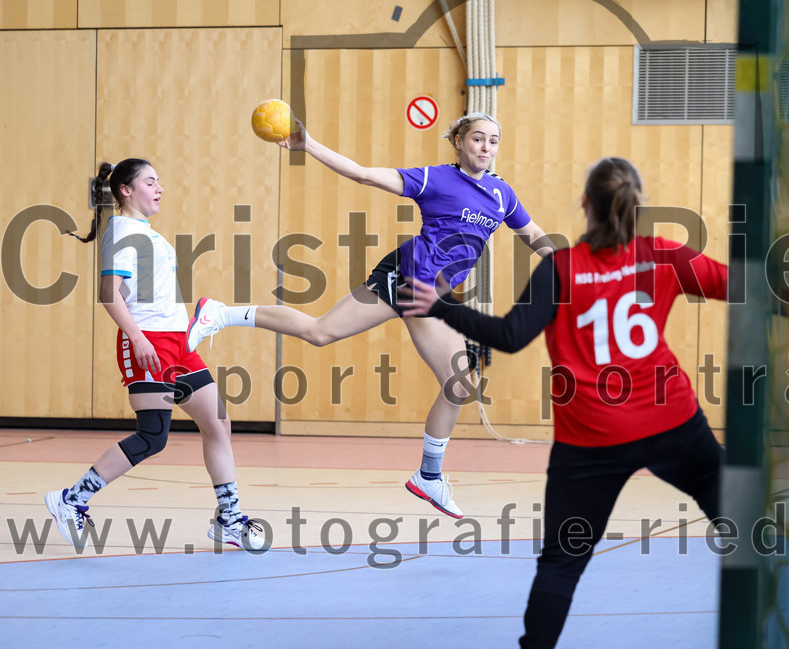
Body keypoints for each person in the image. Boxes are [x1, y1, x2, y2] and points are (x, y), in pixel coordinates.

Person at [399, 156, 789, 648]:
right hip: (673, 424)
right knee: (742, 521)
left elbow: (510, 336)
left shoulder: (561, 268)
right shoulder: (663, 256)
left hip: (591, 440)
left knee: (562, 562)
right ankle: (784, 622)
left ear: (586, 203)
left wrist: (442, 305)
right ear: (637, 206)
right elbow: (748, 288)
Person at [186, 113, 555, 518]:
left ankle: (429, 476)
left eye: (493, 141)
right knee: (342, 340)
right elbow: (363, 174)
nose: (486, 147)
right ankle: (220, 315)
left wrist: (571, 265)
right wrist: (308, 145)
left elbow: (535, 236)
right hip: (410, 281)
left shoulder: (502, 195)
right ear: (458, 142)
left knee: (447, 380)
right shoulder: (435, 179)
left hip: (434, 295)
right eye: (478, 139)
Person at [45, 160, 264, 551]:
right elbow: (109, 293)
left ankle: (229, 520)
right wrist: (137, 337)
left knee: (218, 423)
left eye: (158, 181)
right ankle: (72, 499)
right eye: (150, 182)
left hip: (179, 342)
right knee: (152, 436)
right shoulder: (123, 232)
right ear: (126, 190)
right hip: (148, 342)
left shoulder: (146, 233)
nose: (159, 188)